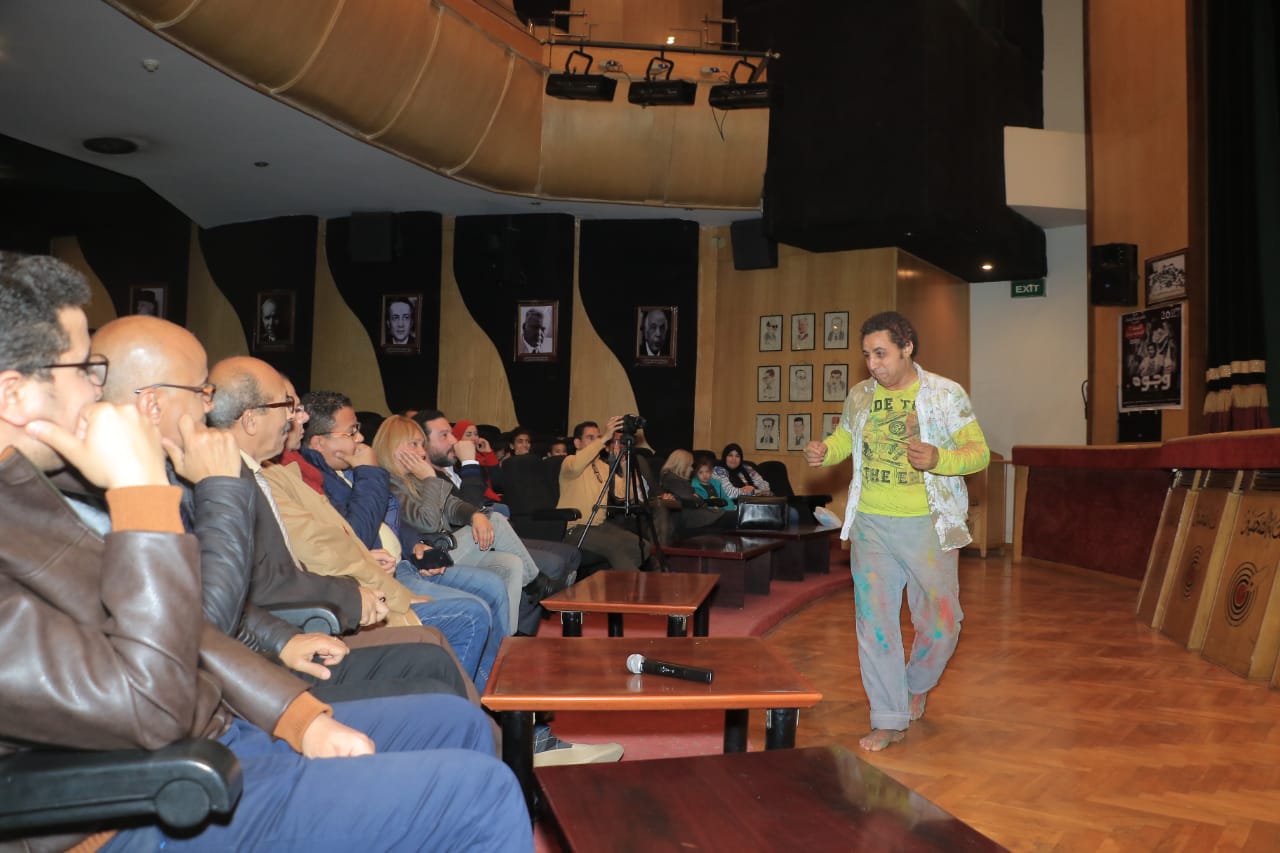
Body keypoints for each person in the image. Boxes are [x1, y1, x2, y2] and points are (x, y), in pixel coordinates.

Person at [0, 252, 531, 852]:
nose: (98, 391)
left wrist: (294, 716)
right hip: (135, 805)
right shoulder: (115, 482)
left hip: (213, 733)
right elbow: (156, 698)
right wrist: (145, 494)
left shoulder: (43, 489)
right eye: (84, 369)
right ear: (14, 393)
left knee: (455, 722)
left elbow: (187, 627)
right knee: (480, 794)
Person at [92, 316, 476, 704]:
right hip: (240, 681)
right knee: (453, 644)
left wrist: (287, 640)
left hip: (272, 643)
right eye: (201, 391)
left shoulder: (227, 472)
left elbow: (235, 592)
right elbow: (220, 609)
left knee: (437, 659)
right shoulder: (185, 480)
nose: (210, 405)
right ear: (152, 404)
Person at [805, 310, 989, 753]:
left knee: (943, 624)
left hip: (928, 527)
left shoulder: (945, 394)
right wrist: (825, 450)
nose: (873, 364)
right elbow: (846, 439)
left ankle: (916, 685)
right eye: (867, 355)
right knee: (875, 626)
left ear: (907, 348)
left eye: (881, 354)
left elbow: (979, 453)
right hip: (871, 524)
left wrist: (940, 459)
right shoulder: (860, 396)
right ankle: (888, 717)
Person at [559, 416, 651, 570]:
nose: (597, 441)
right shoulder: (569, 461)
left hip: (600, 526)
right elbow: (576, 467)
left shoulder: (603, 466)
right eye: (590, 438)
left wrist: (624, 466)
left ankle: (613, 580)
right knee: (615, 547)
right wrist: (604, 438)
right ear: (577, 443)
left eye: (598, 437)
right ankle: (632, 583)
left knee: (643, 547)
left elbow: (624, 495)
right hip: (575, 529)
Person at [660, 449, 735, 533]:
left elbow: (690, 497)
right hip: (690, 518)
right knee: (735, 518)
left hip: (696, 515)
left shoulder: (677, 478)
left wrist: (696, 497)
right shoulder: (670, 478)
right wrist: (697, 498)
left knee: (735, 517)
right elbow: (687, 497)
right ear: (682, 465)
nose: (692, 469)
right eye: (690, 465)